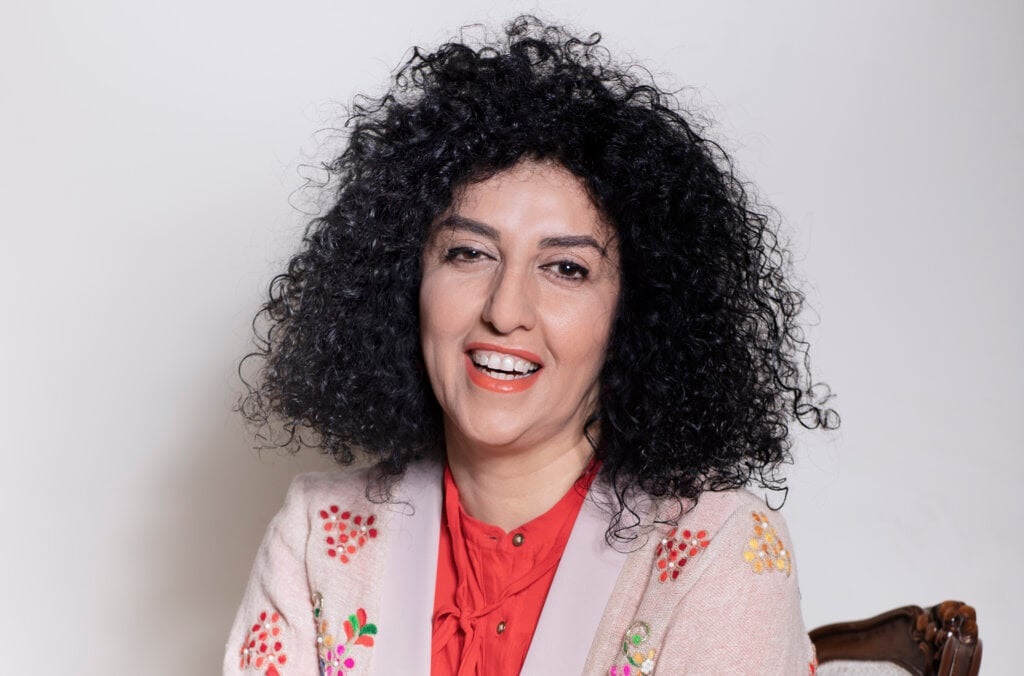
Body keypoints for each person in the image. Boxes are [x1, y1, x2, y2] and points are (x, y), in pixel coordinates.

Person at [226, 16, 837, 675]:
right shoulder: (317, 532)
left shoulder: (716, 548)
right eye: (469, 253)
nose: (504, 311)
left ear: (635, 314)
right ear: (405, 279)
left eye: (566, 268)